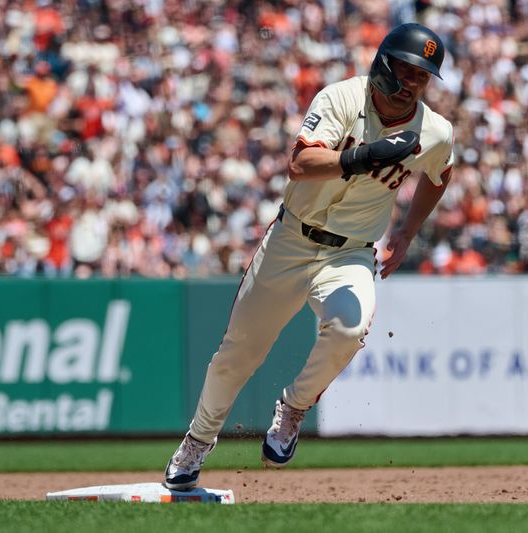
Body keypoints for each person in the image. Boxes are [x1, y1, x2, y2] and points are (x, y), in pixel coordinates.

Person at [164, 22, 455, 490]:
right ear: (383, 63)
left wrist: (407, 231)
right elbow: (300, 164)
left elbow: (440, 175)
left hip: (351, 253)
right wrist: (367, 155)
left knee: (349, 327)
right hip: (290, 241)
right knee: (236, 356)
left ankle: (294, 407)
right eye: (406, 70)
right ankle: (198, 439)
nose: (412, 84)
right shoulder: (340, 98)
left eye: (422, 77)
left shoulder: (435, 131)